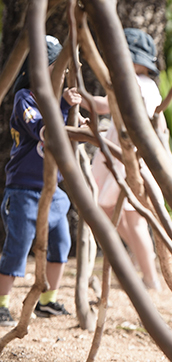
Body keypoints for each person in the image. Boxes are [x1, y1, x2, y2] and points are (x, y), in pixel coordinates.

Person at [0, 35, 81, 326]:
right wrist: (63, 122)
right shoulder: (26, 98)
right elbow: (42, 129)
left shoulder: (61, 101)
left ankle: (48, 300)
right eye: (52, 67)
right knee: (18, 245)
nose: (58, 73)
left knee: (62, 242)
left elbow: (72, 129)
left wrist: (74, 110)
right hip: (22, 189)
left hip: (53, 190)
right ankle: (2, 303)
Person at [90, 28, 164, 291]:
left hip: (129, 156)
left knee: (131, 217)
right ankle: (141, 261)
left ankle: (150, 276)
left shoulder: (134, 84)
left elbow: (104, 106)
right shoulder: (144, 84)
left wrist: (84, 99)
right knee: (109, 209)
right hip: (119, 153)